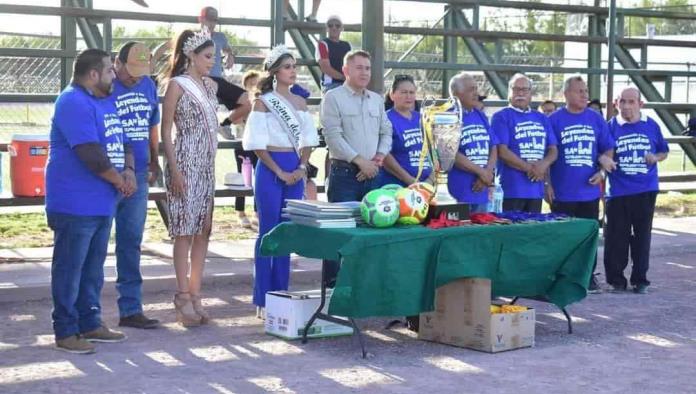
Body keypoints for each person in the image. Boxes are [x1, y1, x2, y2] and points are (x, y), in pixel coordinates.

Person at [46, 48, 132, 354]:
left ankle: (90, 322)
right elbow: (90, 154)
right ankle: (66, 330)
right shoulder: (72, 100)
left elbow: (121, 141)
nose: (115, 75)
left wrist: (129, 170)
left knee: (93, 270)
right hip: (74, 203)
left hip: (100, 202)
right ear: (93, 74)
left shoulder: (103, 101)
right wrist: (119, 179)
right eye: (110, 70)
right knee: (70, 270)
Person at [242, 45, 319, 315]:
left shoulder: (300, 103)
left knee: (286, 233)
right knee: (268, 230)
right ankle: (262, 298)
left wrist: (301, 167)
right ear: (275, 71)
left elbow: (309, 140)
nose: (293, 71)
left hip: (294, 169)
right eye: (287, 67)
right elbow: (255, 143)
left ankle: (281, 294)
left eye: (294, 66)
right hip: (270, 169)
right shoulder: (263, 102)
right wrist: (279, 171)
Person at [160, 29, 219, 327]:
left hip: (207, 164)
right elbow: (165, 131)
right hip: (184, 161)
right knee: (184, 229)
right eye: (208, 57)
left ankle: (196, 293)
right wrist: (174, 169)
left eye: (214, 57)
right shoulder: (177, 85)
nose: (212, 62)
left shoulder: (210, 86)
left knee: (203, 230)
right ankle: (182, 294)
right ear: (191, 56)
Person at [321, 49, 392, 285]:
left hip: (373, 174)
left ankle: (363, 287)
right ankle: (333, 290)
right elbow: (333, 137)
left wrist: (378, 159)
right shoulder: (333, 97)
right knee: (339, 235)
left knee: (372, 233)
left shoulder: (376, 99)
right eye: (359, 67)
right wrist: (361, 161)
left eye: (367, 68)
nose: (364, 72)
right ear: (345, 70)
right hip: (344, 175)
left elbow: (386, 131)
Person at [547, 76, 616, 293]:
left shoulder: (595, 119)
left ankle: (588, 276)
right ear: (566, 94)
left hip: (589, 191)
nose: (585, 95)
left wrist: (602, 171)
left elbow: (608, 148)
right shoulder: (554, 120)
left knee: (589, 237)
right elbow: (548, 153)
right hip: (563, 191)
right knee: (563, 238)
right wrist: (546, 185)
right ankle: (562, 276)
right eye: (580, 91)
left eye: (586, 91)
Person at [111, 42, 161, 329]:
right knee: (95, 243)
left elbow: (151, 125)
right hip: (107, 174)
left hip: (139, 173)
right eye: (131, 70)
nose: (135, 77)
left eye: (141, 71)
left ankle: (130, 308)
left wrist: (154, 160)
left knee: (131, 242)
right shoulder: (105, 86)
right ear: (116, 63)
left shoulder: (147, 86)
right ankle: (85, 313)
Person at [604, 87, 669, 294]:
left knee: (642, 236)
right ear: (616, 104)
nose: (627, 106)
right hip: (618, 191)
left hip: (645, 189)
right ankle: (616, 279)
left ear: (640, 104)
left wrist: (655, 157)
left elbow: (663, 151)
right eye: (622, 101)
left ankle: (640, 279)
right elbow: (602, 153)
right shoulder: (610, 127)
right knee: (617, 237)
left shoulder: (651, 125)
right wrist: (604, 160)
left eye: (632, 102)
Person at [491, 73, 558, 213]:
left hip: (536, 190)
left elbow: (553, 150)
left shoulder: (541, 118)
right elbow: (502, 151)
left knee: (532, 233)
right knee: (511, 233)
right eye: (516, 89)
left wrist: (543, 167)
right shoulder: (501, 116)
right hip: (511, 190)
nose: (520, 93)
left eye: (524, 89)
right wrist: (530, 168)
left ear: (530, 93)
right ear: (509, 92)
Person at [447, 73, 498, 212]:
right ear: (456, 94)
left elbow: (493, 146)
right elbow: (450, 153)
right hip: (460, 191)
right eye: (471, 89)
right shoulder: (448, 116)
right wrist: (481, 172)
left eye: (476, 88)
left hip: (482, 188)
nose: (476, 93)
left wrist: (487, 173)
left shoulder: (479, 114)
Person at [199, 6, 251, 126]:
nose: (212, 23)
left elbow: (227, 49)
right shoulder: (193, 37)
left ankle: (225, 124)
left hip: (217, 80)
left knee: (249, 100)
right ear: (201, 19)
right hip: (200, 79)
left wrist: (230, 55)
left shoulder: (220, 37)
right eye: (209, 19)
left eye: (215, 20)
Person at [380, 74, 431, 186]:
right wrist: (410, 181)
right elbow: (385, 155)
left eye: (411, 92)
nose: (408, 96)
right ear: (392, 95)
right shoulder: (386, 119)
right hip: (397, 185)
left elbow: (433, 151)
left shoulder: (421, 118)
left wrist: (430, 180)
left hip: (426, 185)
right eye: (404, 92)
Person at [231, 70, 261, 229]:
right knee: (241, 178)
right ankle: (240, 212)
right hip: (242, 143)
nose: (254, 86)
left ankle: (257, 212)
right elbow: (234, 120)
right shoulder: (241, 100)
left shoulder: (262, 100)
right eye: (251, 83)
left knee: (259, 176)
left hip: (257, 145)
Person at [317, 15, 351, 93]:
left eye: (337, 25)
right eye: (330, 25)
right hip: (330, 84)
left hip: (346, 83)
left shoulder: (347, 45)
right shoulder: (323, 44)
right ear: (327, 28)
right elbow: (326, 68)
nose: (334, 28)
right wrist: (345, 78)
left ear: (342, 28)